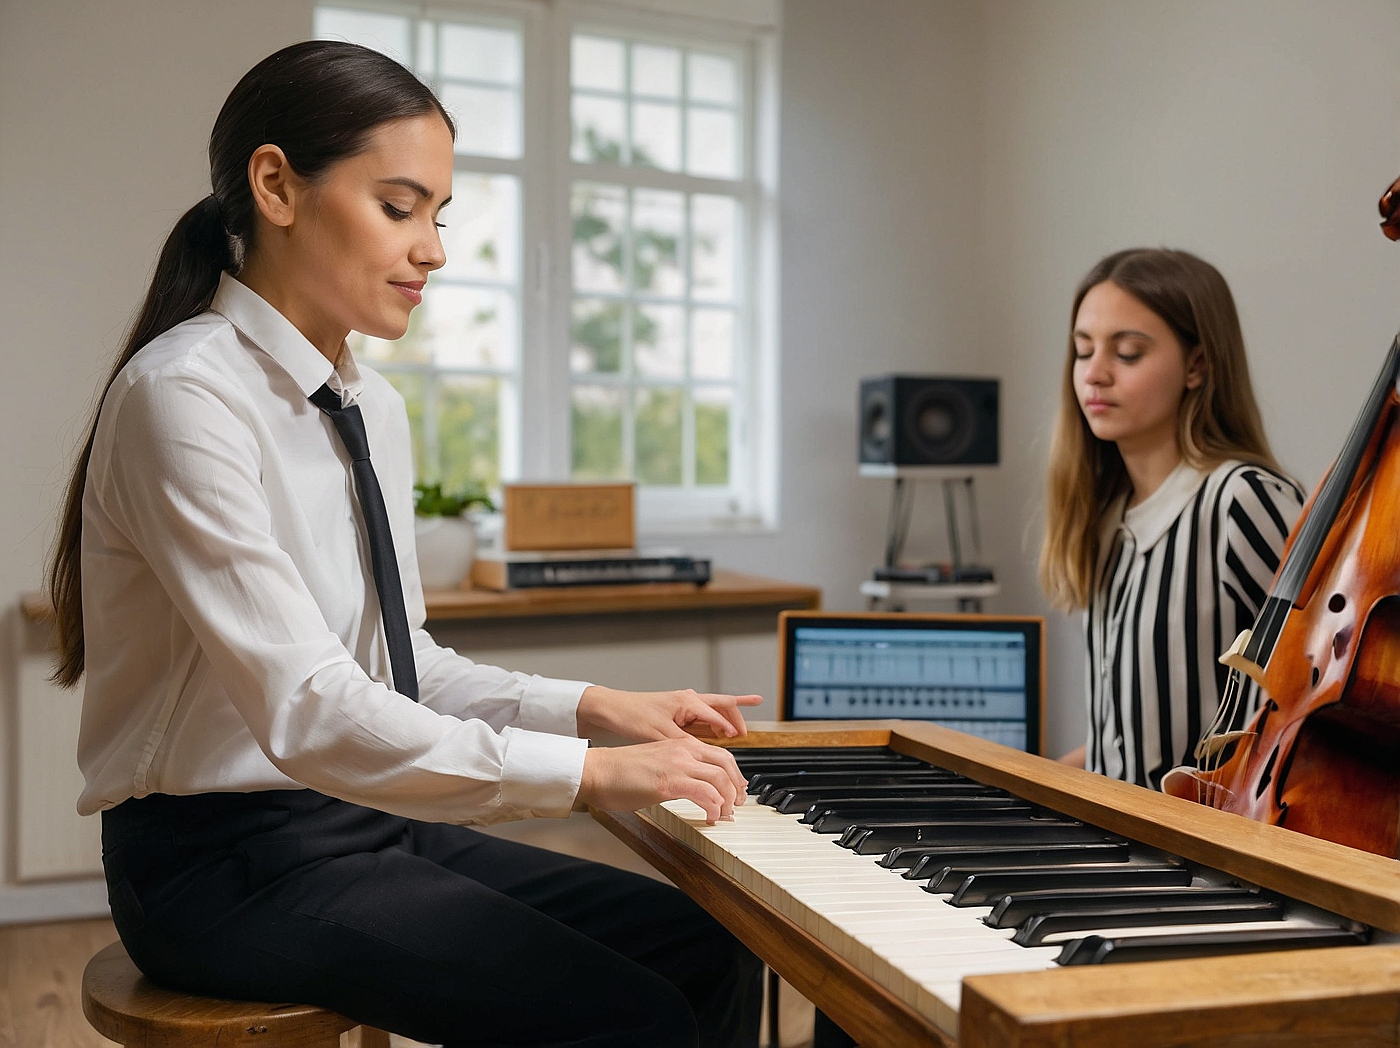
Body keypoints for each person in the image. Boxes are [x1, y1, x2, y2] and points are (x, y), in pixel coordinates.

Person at [48, 41, 762, 1048]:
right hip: (218, 867)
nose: (432, 248)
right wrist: (589, 772)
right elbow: (307, 707)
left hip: (361, 820)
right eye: (399, 207)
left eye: (439, 215)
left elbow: (401, 667)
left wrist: (600, 710)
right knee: (624, 1013)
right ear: (275, 186)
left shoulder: (367, 404)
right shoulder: (184, 396)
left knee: (703, 944)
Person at [1038, 248, 1305, 789]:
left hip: (1204, 862)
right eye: (1083, 351)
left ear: (1197, 365)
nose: (1095, 374)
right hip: (1120, 847)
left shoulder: (1242, 499)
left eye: (1128, 353)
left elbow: (1308, 704)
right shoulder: (1107, 519)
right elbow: (1129, 748)